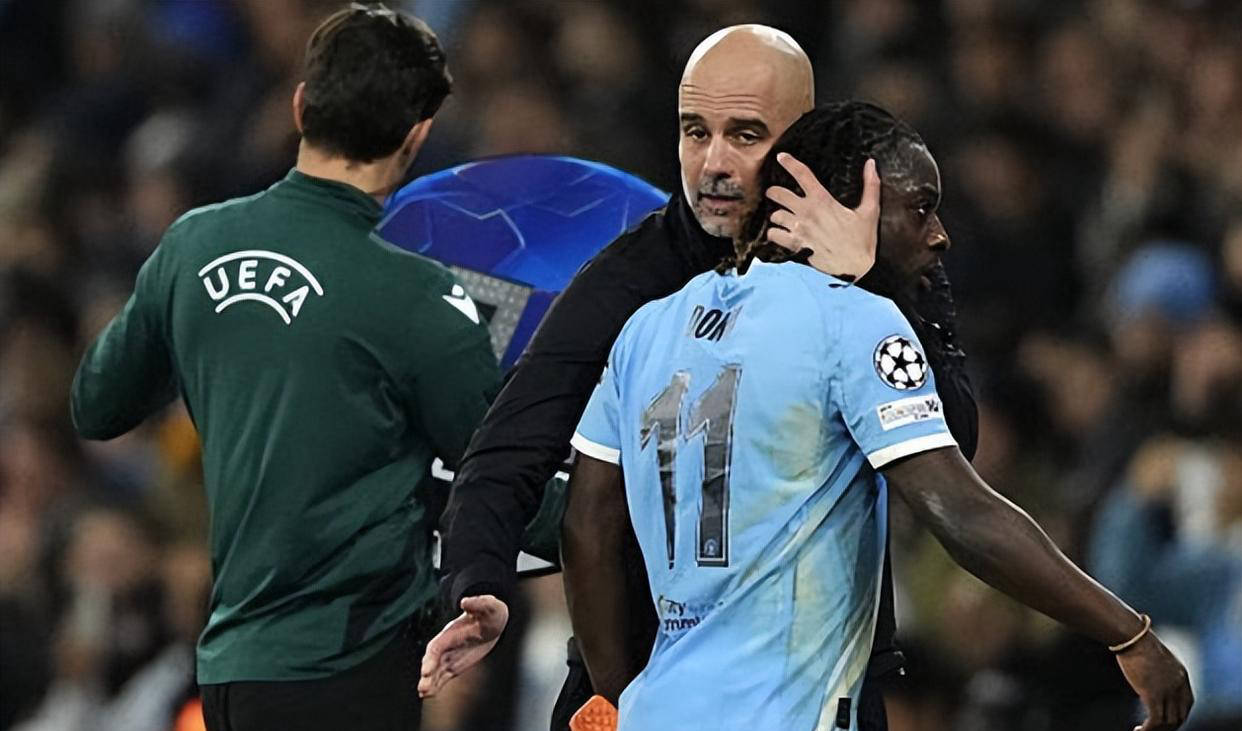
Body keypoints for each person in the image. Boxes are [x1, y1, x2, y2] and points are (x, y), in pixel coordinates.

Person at [562, 100, 1193, 731]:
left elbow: (586, 527)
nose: (940, 233)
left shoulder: (647, 328)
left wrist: (620, 697)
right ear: (849, 204)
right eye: (920, 207)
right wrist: (1129, 634)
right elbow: (962, 510)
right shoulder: (851, 319)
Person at [420, 24, 977, 731]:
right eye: (694, 132)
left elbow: (957, 440)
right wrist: (477, 581)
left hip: (818, 688)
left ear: (802, 142)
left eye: (745, 135)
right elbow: (507, 452)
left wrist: (872, 284)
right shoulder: (628, 286)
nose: (713, 163)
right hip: (640, 675)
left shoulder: (878, 258)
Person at [69, 4, 499, 730]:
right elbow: (501, 478)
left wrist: (224, 343)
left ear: (300, 107)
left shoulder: (191, 245)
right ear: (416, 136)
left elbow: (96, 404)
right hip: (350, 669)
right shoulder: (418, 295)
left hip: (228, 669)